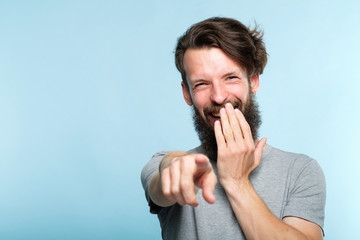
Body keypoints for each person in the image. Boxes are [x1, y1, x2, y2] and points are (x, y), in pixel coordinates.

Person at [141, 17, 326, 240]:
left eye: (230, 78)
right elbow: (164, 178)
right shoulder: (165, 163)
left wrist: (237, 182)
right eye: (201, 84)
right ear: (187, 94)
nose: (219, 96)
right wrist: (173, 167)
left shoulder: (301, 171)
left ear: (254, 82)